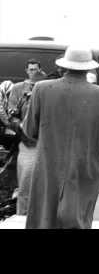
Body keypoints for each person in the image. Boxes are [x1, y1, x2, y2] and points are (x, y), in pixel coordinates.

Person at [22, 46, 99, 228]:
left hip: (48, 167)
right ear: (89, 68)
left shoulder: (41, 89)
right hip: (86, 167)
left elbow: (29, 130)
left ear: (64, 66)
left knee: (44, 219)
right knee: (78, 219)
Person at [9, 71, 46, 215]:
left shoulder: (51, 99)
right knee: (25, 185)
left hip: (49, 147)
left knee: (47, 188)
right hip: (29, 147)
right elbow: (12, 117)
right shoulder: (23, 98)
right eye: (32, 84)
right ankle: (22, 217)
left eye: (37, 85)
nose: (34, 87)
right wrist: (20, 127)